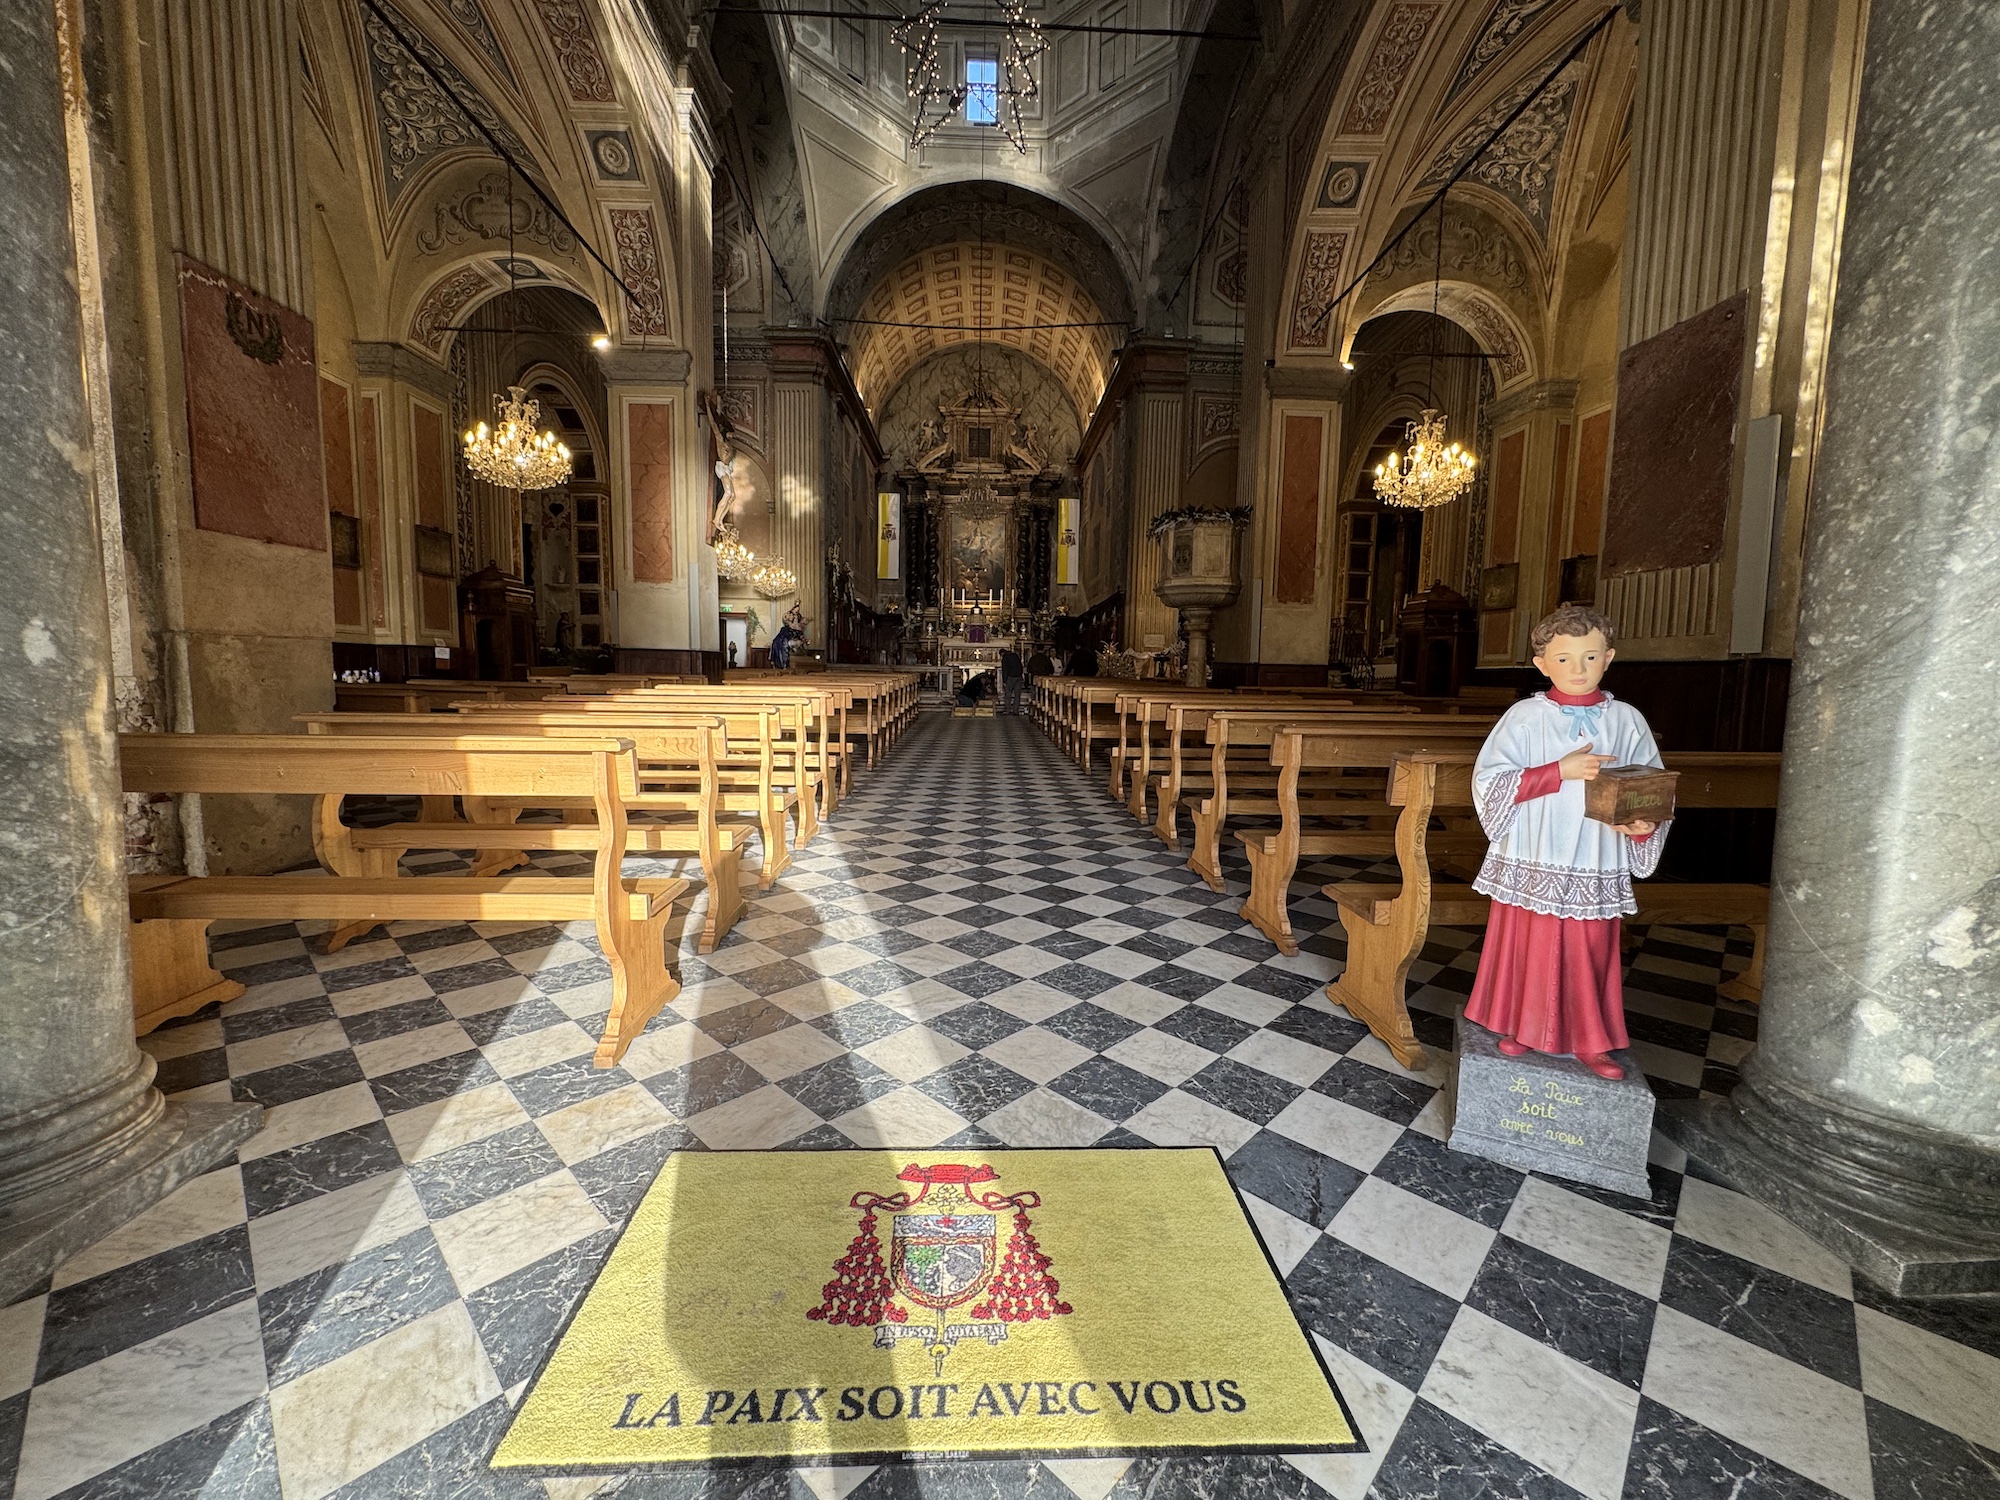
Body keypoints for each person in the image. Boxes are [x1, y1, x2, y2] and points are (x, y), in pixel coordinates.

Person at [1464, 605, 1668, 1081]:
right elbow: (1489, 780)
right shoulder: (1525, 716)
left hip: (1596, 853)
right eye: (1564, 659)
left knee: (1588, 944)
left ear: (1609, 658)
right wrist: (1559, 770)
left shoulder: (1627, 720)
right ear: (1542, 665)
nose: (1577, 669)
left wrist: (1642, 823)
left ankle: (1590, 1040)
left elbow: (1650, 783)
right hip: (1537, 851)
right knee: (1529, 941)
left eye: (1590, 657)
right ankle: (1521, 1024)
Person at [999, 645, 1024, 714]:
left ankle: (1007, 710)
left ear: (1002, 654)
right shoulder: (1015, 655)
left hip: (1010, 677)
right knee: (1017, 694)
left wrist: (1004, 681)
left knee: (1008, 694)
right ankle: (1016, 710)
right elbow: (1020, 665)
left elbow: (1005, 670)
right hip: (1018, 677)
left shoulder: (1005, 658)